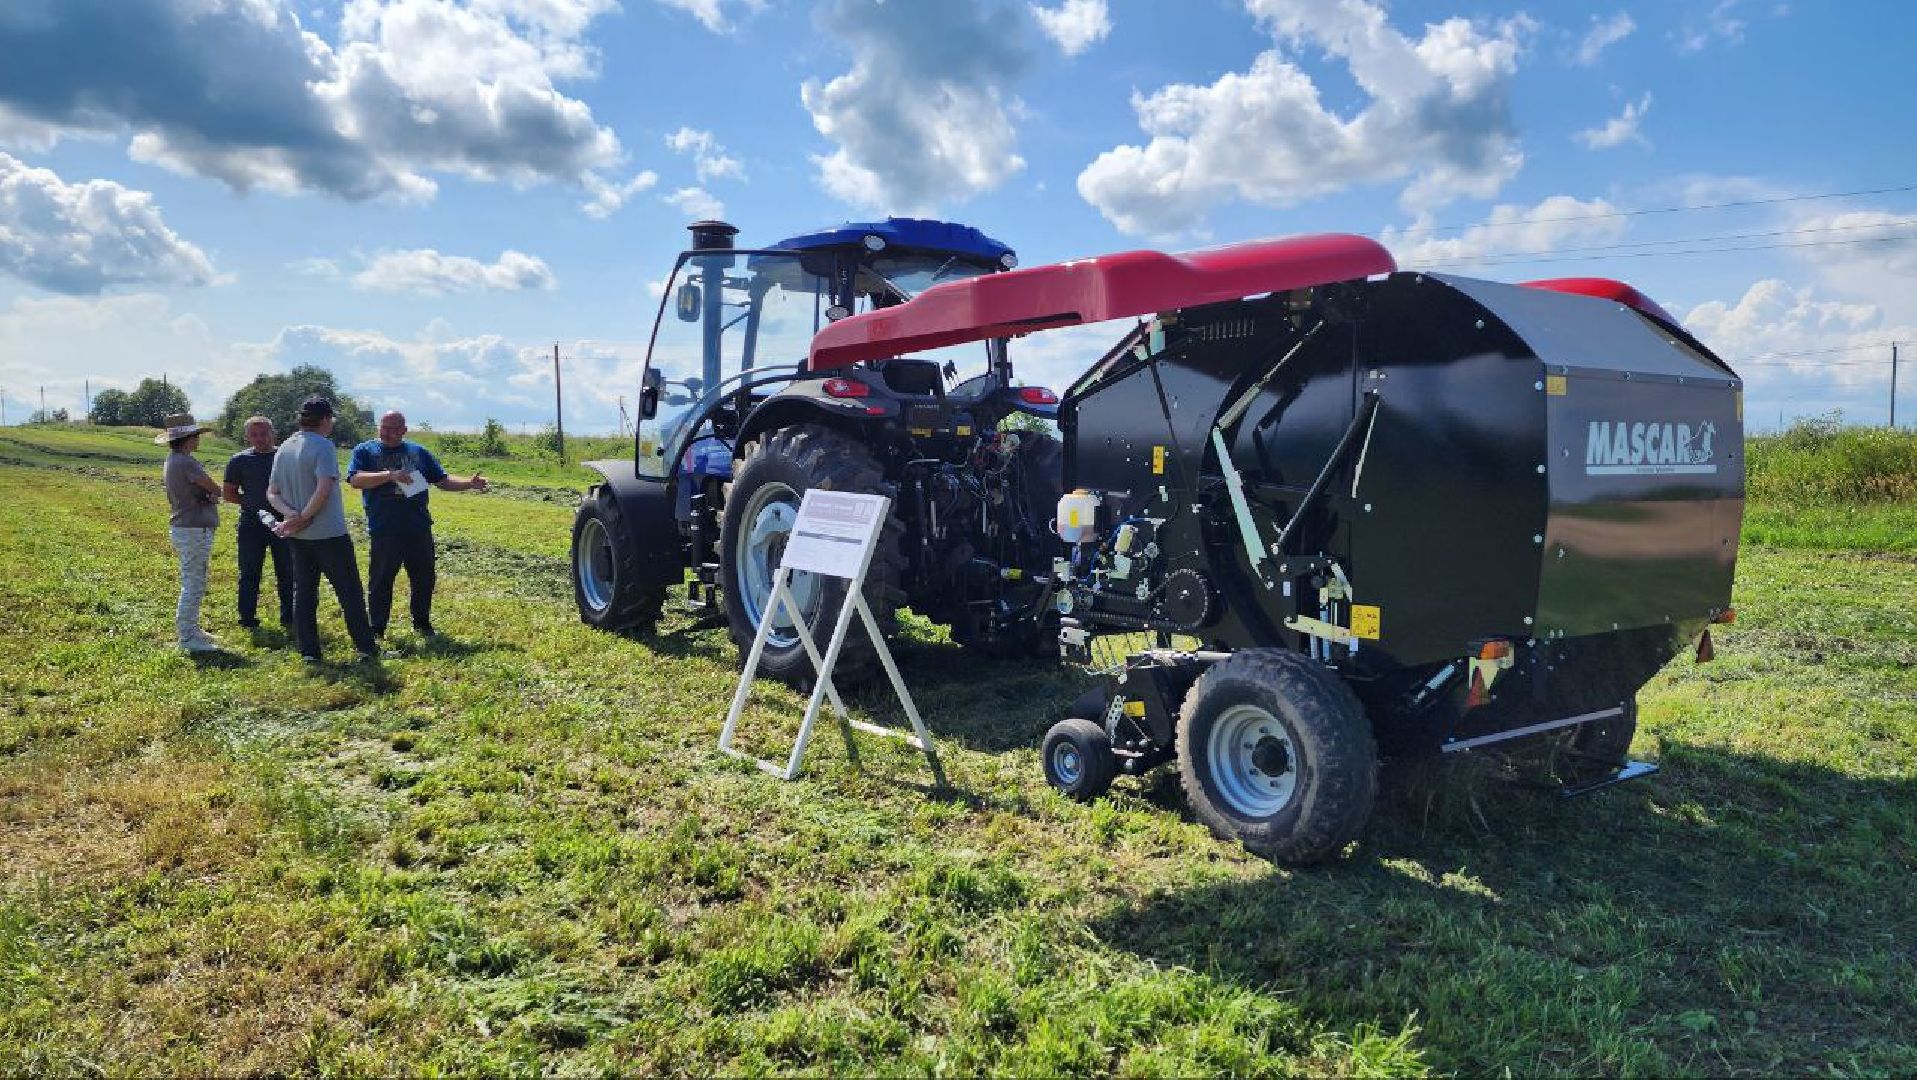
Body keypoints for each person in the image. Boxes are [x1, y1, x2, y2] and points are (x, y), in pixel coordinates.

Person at [348, 410, 488, 638]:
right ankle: (377, 628)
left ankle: (422, 623)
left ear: (404, 429)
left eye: (394, 428)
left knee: (424, 578)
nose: (387, 432)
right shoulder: (365, 451)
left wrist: (468, 484)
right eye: (384, 427)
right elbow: (355, 480)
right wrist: (390, 475)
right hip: (384, 528)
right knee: (381, 580)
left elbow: (441, 480)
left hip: (417, 527)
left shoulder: (418, 452)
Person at [267, 396, 379, 663]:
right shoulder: (323, 446)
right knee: (349, 592)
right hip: (328, 534)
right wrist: (304, 516)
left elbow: (272, 493)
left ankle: (308, 651)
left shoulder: (284, 447)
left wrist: (290, 515)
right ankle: (365, 647)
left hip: (298, 537)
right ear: (326, 419)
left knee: (304, 592)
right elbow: (324, 488)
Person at [158, 412, 223, 652]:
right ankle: (187, 637)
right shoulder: (187, 462)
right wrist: (212, 494)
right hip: (194, 528)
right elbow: (213, 487)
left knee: (194, 579)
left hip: (185, 526)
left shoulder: (173, 459)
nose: (198, 440)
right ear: (188, 438)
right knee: (193, 582)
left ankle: (192, 629)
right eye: (196, 436)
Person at [222, 415, 293, 630]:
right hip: (252, 524)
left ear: (273, 434)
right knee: (249, 572)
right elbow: (228, 493)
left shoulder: (286, 457)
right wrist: (251, 503)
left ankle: (289, 617)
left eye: (264, 433)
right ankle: (247, 618)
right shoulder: (239, 461)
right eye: (254, 434)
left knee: (288, 573)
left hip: (284, 523)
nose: (260, 438)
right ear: (247, 437)